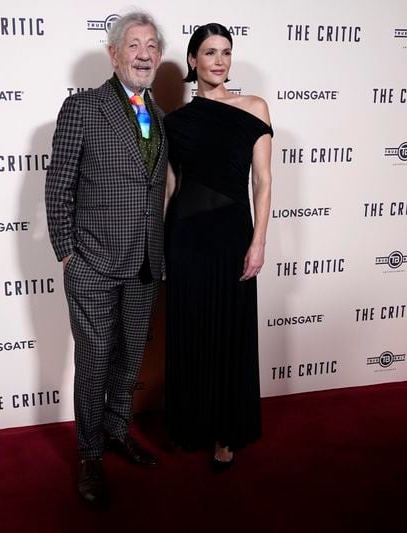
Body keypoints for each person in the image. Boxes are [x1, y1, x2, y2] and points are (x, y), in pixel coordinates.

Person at [44, 11, 167, 505]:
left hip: (145, 263)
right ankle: (90, 455)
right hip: (92, 263)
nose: (144, 53)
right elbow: (58, 188)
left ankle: (117, 430)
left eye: (152, 45)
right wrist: (68, 254)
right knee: (94, 363)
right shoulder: (83, 109)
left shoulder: (158, 115)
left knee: (130, 356)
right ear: (113, 54)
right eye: (133, 45)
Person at [163, 23, 273, 470]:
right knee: (191, 329)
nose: (219, 61)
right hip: (186, 237)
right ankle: (191, 423)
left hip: (231, 235)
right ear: (193, 61)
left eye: (226, 52)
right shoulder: (175, 122)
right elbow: (171, 186)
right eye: (209, 53)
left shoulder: (254, 108)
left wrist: (258, 240)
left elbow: (263, 182)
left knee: (229, 330)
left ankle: (226, 433)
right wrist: (159, 245)